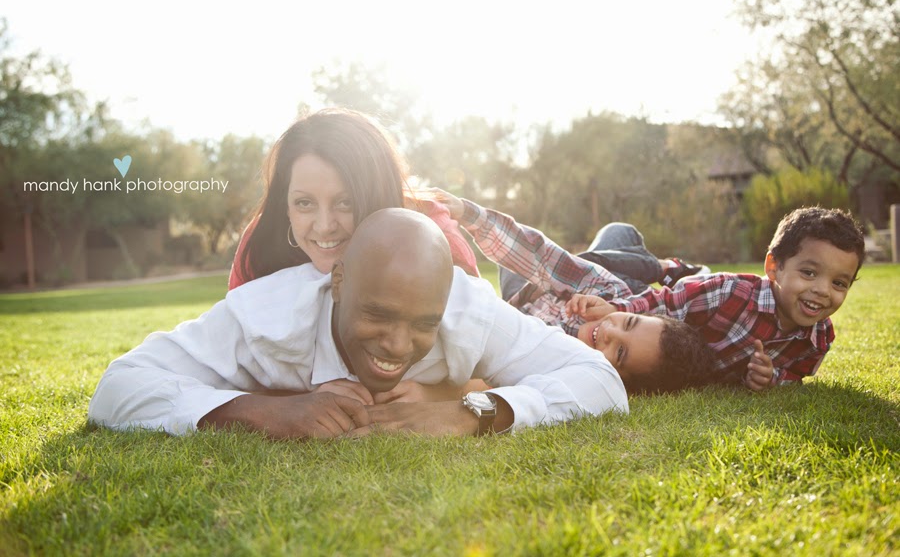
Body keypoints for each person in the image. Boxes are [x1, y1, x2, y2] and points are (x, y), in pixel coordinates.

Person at [88, 208, 628, 439]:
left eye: (423, 324)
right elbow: (117, 388)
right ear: (339, 283)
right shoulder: (261, 315)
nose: (398, 344)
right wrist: (260, 412)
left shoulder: (468, 308)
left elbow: (601, 382)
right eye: (378, 315)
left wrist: (474, 412)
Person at [433, 189, 716, 395]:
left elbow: (485, 379)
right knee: (618, 231)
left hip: (521, 298)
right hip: (613, 287)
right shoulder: (609, 295)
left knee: (594, 253)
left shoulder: (565, 366)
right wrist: (467, 213)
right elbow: (542, 258)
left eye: (619, 352)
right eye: (628, 322)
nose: (609, 332)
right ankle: (663, 268)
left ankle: (646, 267)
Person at [566, 206, 866, 390]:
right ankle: (666, 268)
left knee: (619, 232)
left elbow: (794, 376)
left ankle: (669, 267)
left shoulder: (819, 338)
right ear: (774, 268)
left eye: (839, 282)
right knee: (600, 250)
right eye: (810, 273)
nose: (823, 291)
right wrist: (617, 308)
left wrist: (771, 377)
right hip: (649, 310)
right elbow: (665, 303)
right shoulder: (729, 292)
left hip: (680, 356)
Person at [228, 108, 478, 290]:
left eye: (345, 202)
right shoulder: (263, 242)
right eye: (304, 203)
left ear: (377, 193)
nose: (325, 226)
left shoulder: (434, 239)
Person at [499, 222, 709, 300]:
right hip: (554, 302)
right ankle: (665, 269)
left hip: (533, 292)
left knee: (617, 231)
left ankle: (665, 270)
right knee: (582, 266)